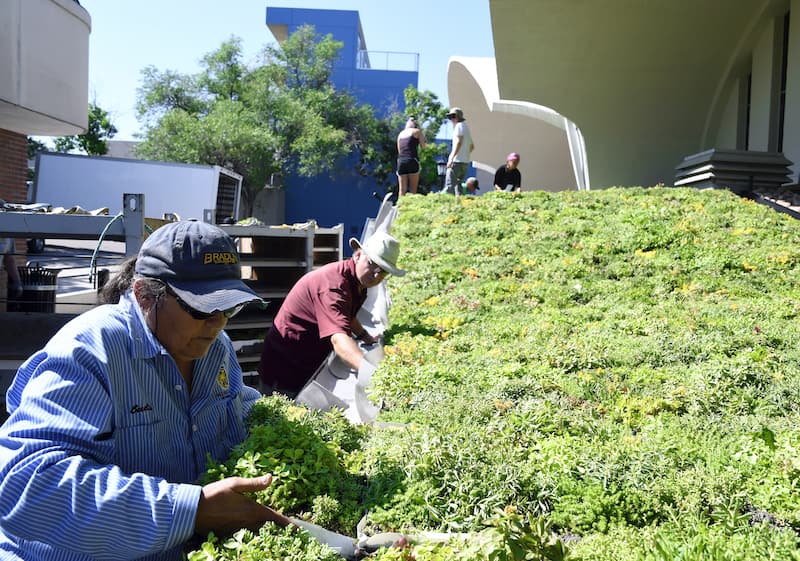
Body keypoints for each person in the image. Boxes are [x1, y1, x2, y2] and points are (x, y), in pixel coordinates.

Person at [0, 220, 290, 561]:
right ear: (144, 296)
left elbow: (236, 405)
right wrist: (190, 511)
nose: (217, 323)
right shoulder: (91, 350)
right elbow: (25, 486)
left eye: (228, 307)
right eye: (201, 307)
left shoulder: (216, 348)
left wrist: (290, 428)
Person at [259, 230, 406, 398]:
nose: (376, 275)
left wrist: (365, 336)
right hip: (285, 367)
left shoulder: (357, 282)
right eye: (372, 264)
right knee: (279, 416)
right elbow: (339, 340)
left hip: (307, 361)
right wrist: (376, 377)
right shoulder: (333, 287)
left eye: (383, 271)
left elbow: (346, 316)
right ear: (358, 255)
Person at [443, 107, 475, 196]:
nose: (451, 119)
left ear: (457, 117)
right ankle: (459, 204)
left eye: (452, 117)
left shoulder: (459, 126)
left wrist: (452, 158)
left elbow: (459, 142)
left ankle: (447, 206)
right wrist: (465, 154)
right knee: (458, 186)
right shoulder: (466, 127)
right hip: (465, 162)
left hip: (456, 161)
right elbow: (472, 146)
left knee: (450, 186)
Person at [396, 117, 426, 196]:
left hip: (401, 161)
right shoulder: (417, 131)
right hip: (412, 159)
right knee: (413, 190)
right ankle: (412, 207)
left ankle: (400, 207)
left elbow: (399, 150)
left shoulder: (400, 134)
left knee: (402, 190)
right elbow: (423, 147)